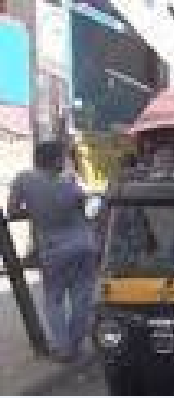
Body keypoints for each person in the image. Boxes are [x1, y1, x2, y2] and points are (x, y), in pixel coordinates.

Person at [7, 141, 98, 362]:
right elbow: (85, 208)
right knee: (81, 296)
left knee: (54, 298)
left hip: (52, 248)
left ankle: (64, 348)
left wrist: (34, 211)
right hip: (83, 244)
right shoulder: (70, 182)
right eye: (63, 157)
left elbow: (12, 212)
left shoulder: (23, 179)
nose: (65, 161)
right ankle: (75, 344)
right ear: (56, 160)